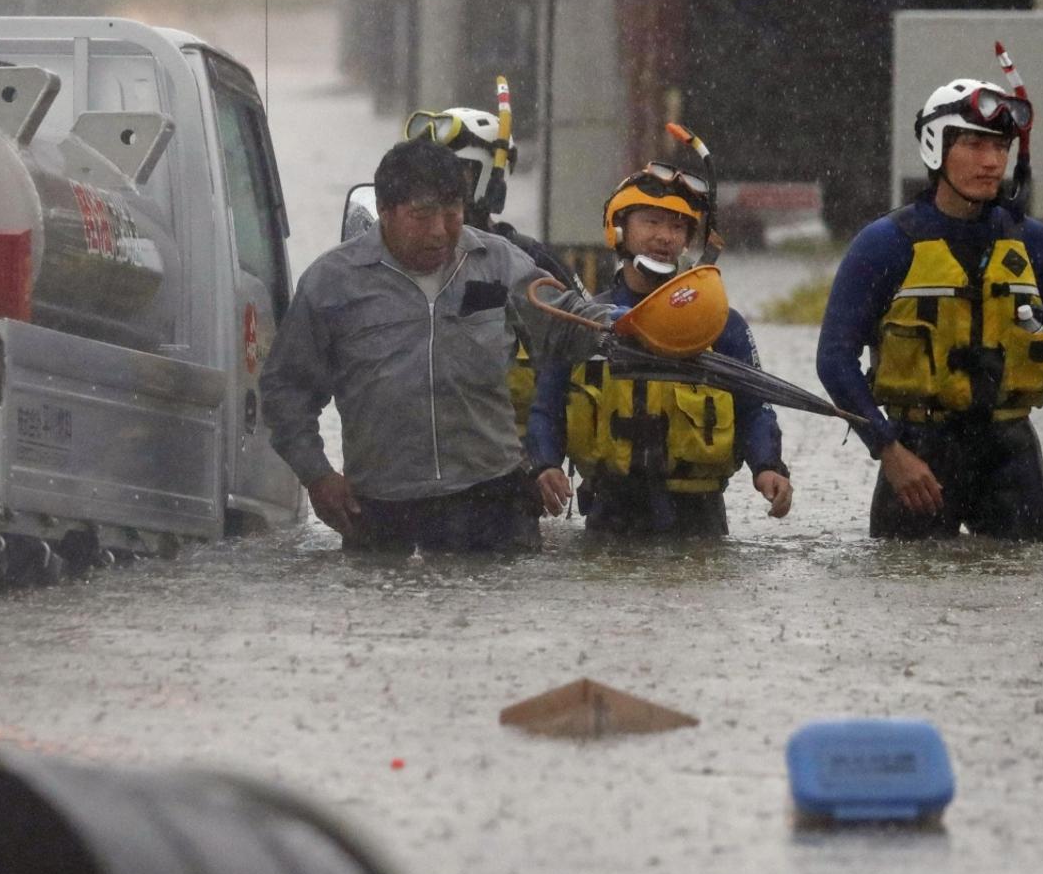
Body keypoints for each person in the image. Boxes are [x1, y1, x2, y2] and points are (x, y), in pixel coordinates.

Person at [260, 136, 613, 553]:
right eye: (422, 215)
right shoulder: (332, 283)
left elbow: (567, 323)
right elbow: (285, 390)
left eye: (453, 213)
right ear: (386, 212)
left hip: (493, 506)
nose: (440, 231)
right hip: (382, 511)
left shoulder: (497, 261)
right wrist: (317, 476)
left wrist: (622, 324)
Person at [816, 77, 1043, 540]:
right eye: (975, 144)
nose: (991, 162)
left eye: (1001, 147)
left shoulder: (1033, 242)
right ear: (935, 147)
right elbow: (834, 360)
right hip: (918, 454)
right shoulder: (883, 245)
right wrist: (889, 452)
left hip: (1009, 455)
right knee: (904, 590)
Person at [525, 163, 792, 537]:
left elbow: (754, 408)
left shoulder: (722, 324)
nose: (665, 237)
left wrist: (768, 466)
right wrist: (545, 465)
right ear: (618, 229)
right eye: (652, 222)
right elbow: (546, 408)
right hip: (610, 515)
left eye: (677, 226)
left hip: (699, 519)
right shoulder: (584, 324)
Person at [403, 105, 587, 435]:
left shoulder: (527, 258)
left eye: (449, 175)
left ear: (485, 175)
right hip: (417, 453)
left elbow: (582, 333)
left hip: (505, 456)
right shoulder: (398, 256)